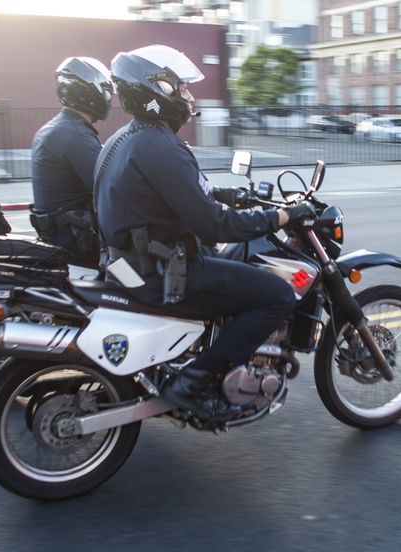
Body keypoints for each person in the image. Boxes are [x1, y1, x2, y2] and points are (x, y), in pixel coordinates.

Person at [94, 44, 317, 421]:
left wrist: (222, 194)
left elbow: (163, 195)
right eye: (180, 88)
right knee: (278, 294)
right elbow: (214, 224)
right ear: (157, 92)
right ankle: (194, 381)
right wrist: (281, 217)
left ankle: (201, 357)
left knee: (230, 265)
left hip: (125, 266)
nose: (188, 96)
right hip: (164, 275)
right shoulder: (162, 146)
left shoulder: (120, 141)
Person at [30, 56, 114, 266]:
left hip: (63, 235)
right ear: (90, 93)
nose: (108, 98)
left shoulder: (61, 127)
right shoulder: (75, 135)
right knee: (132, 274)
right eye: (105, 91)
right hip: (78, 242)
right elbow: (110, 186)